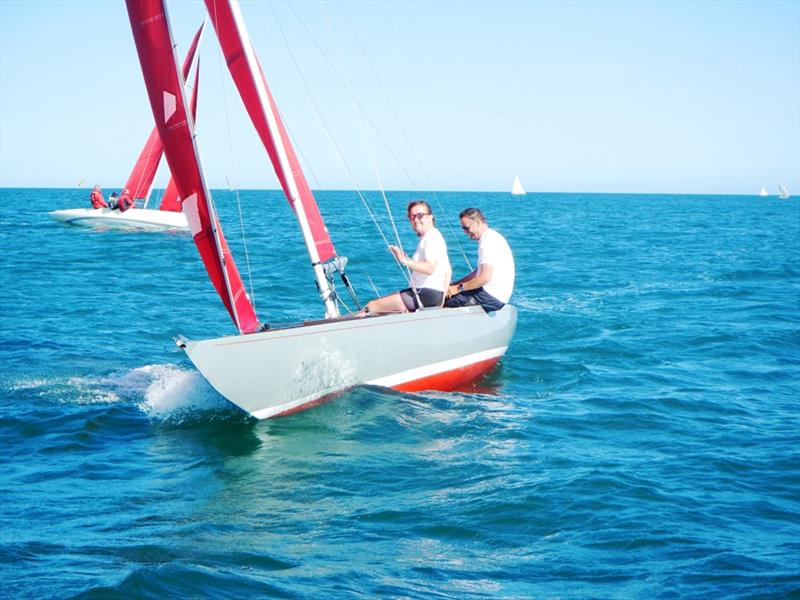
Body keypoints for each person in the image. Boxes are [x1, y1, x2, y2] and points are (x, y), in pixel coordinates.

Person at [361, 200, 451, 314]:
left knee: (370, 307)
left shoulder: (431, 238)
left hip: (424, 294)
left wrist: (404, 261)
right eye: (412, 217)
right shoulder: (436, 236)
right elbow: (448, 271)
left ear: (430, 217)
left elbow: (430, 268)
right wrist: (442, 296)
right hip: (432, 295)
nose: (415, 220)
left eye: (420, 215)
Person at [445, 207, 514, 312]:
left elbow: (485, 277)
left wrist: (458, 288)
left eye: (466, 228)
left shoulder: (487, 242)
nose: (465, 232)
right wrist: (454, 284)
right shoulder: (492, 236)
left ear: (477, 223)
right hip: (495, 295)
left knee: (444, 302)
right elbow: (478, 272)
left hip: (491, 297)